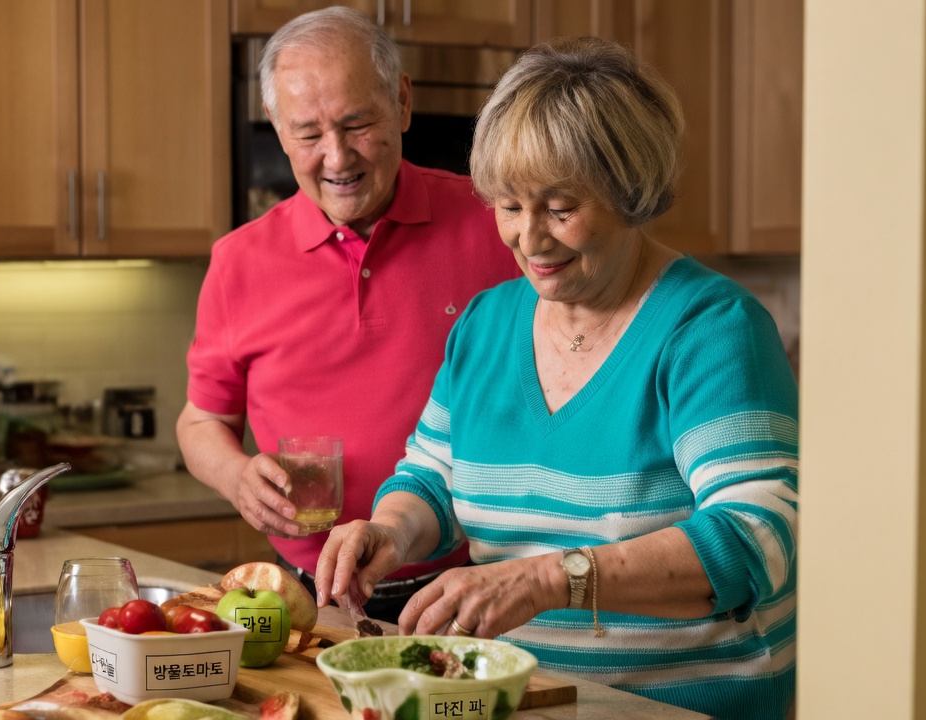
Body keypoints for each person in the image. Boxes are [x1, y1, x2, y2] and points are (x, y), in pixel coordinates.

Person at [313, 37, 797, 720]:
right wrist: (389, 533)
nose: (529, 238)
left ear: (631, 193)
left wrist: (552, 579)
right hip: (518, 701)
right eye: (508, 205)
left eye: (561, 208)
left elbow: (757, 539)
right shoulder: (486, 323)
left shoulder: (711, 330)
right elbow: (431, 478)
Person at [176, 7, 521, 622]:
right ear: (279, 133)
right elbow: (202, 420)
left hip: (475, 582)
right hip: (311, 594)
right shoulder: (238, 261)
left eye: (358, 123)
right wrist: (235, 477)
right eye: (308, 134)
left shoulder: (497, 222)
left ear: (403, 102)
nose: (337, 157)